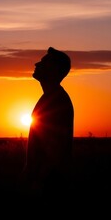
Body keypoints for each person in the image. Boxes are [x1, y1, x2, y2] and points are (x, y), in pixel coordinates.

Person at [23, 47, 74, 200]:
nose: (37, 64)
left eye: (44, 62)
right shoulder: (49, 98)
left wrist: (38, 181)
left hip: (50, 186)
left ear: (55, 70)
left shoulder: (58, 102)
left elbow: (54, 149)